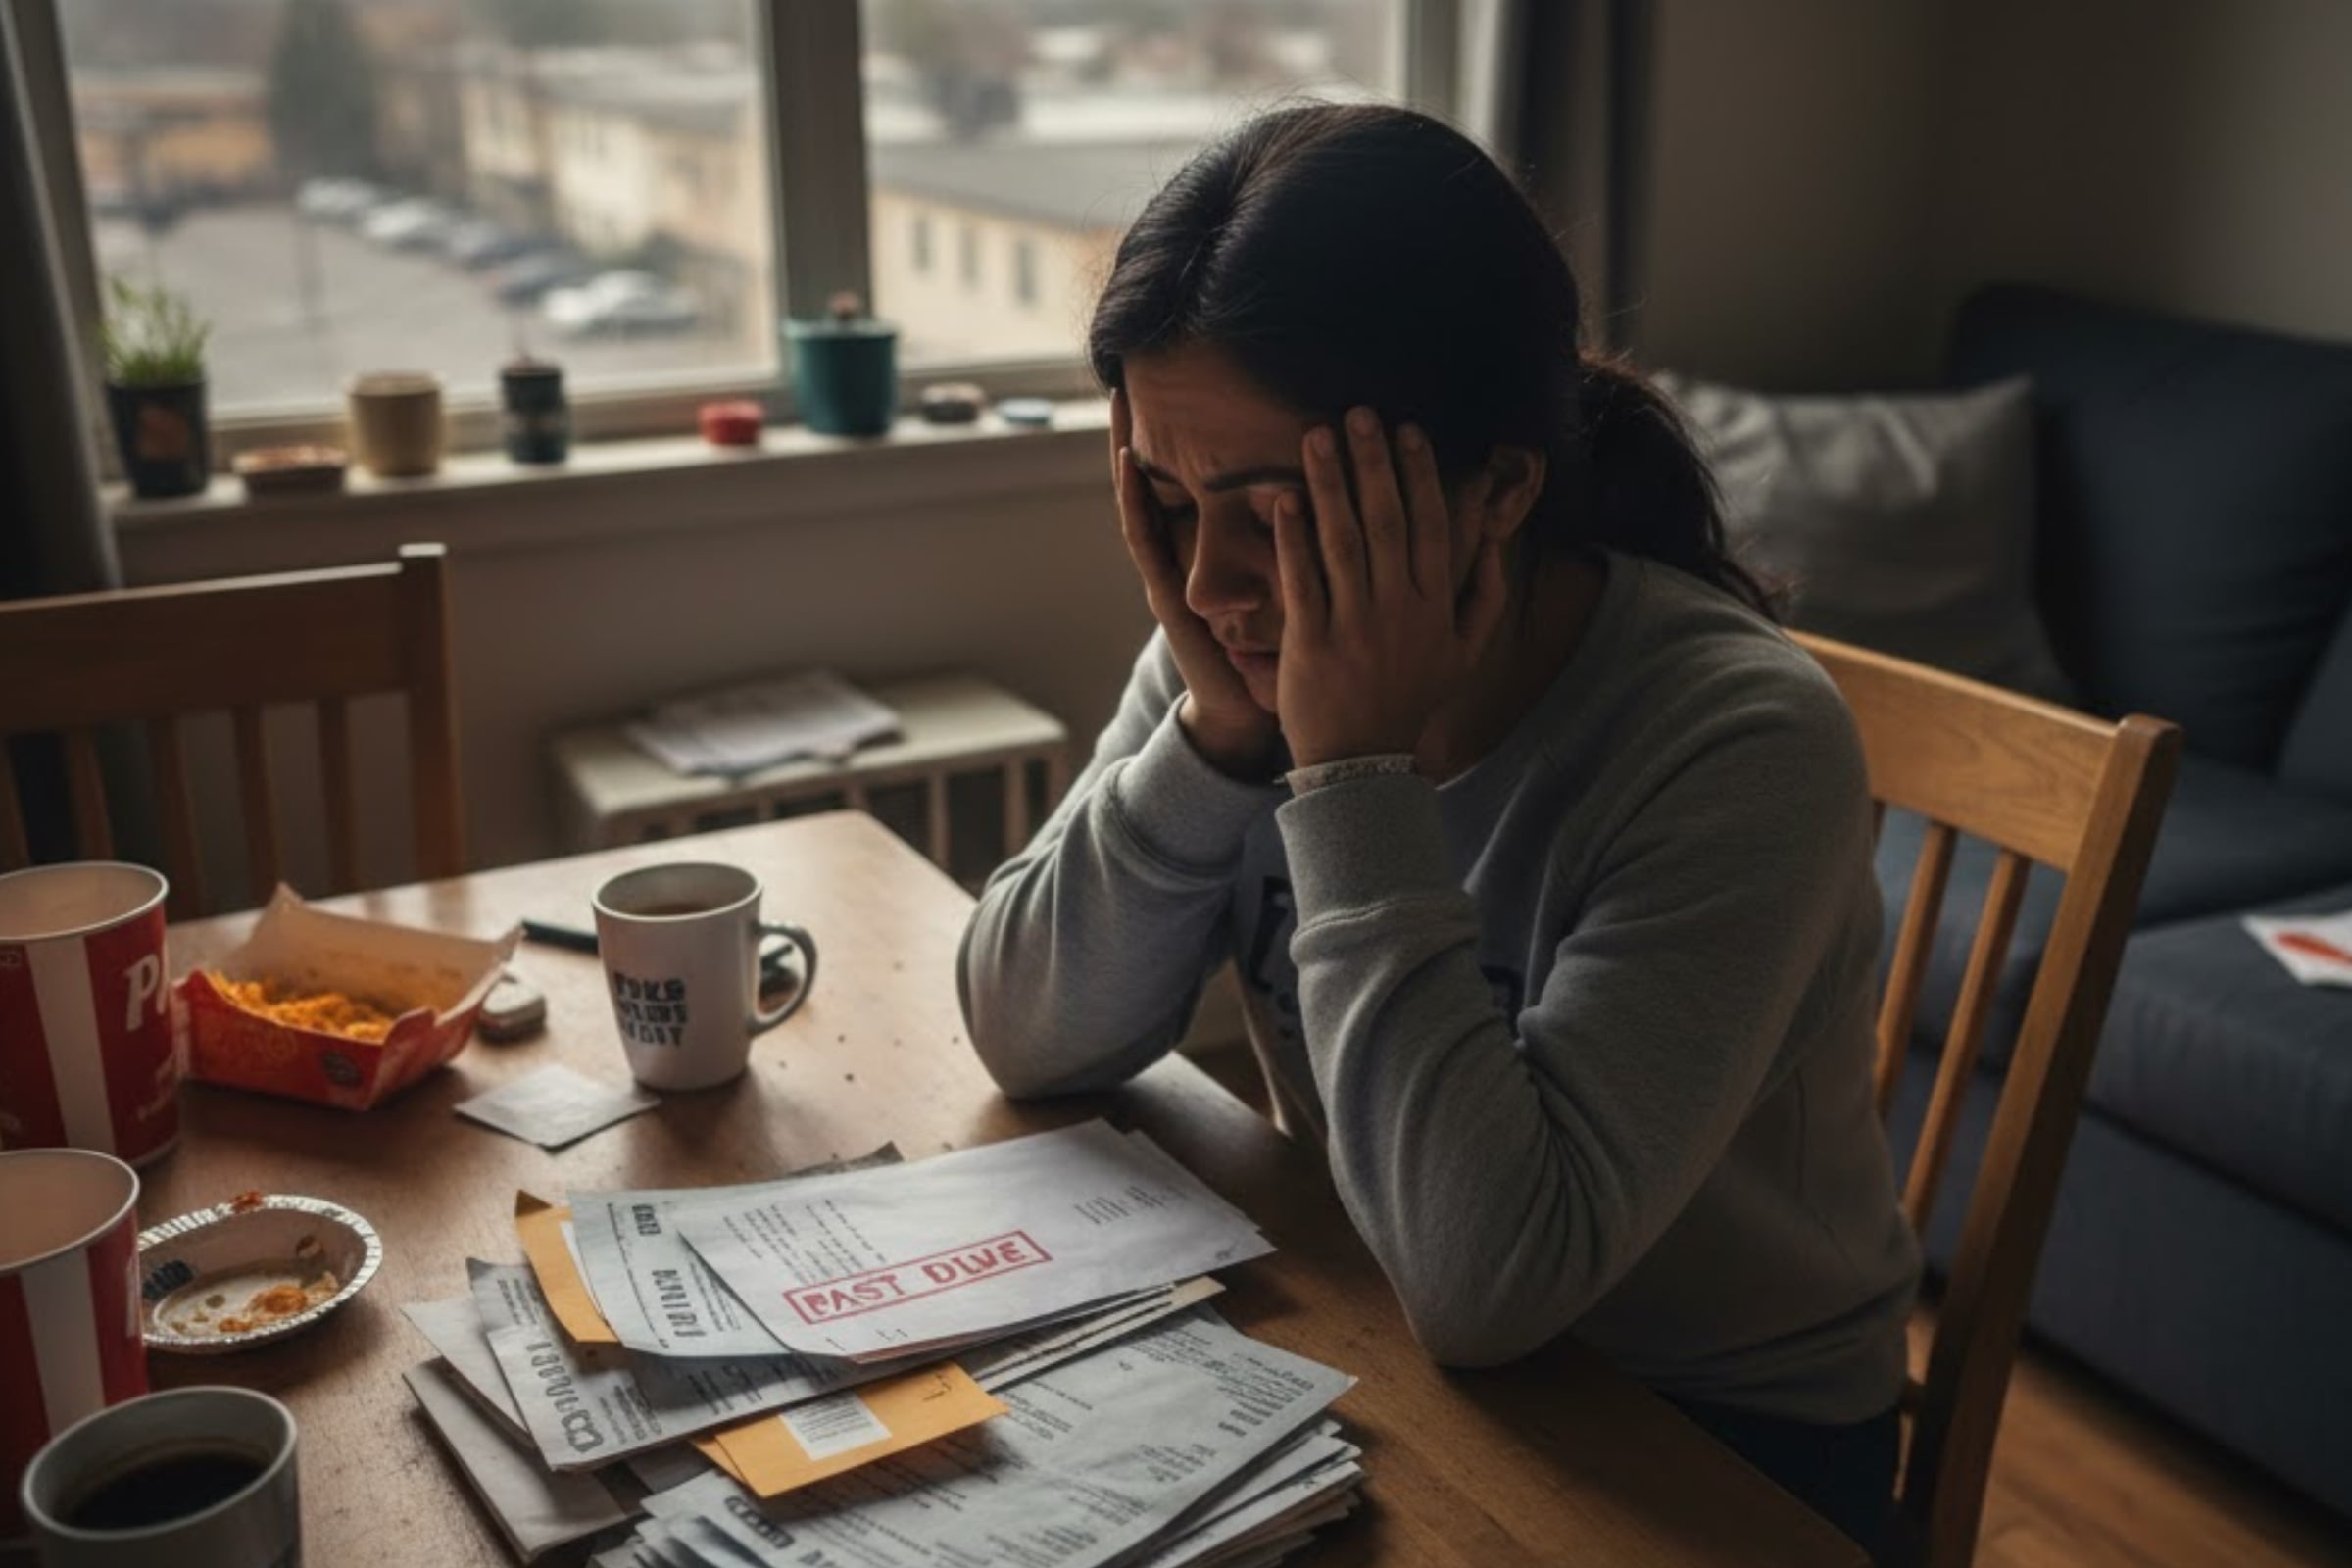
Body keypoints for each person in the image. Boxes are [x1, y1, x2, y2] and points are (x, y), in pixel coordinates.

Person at [956, 101, 1919, 1549]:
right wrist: (1216, 738)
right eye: (1165, 499)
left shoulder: (1737, 742)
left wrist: (1350, 780)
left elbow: (1494, 1287)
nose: (1209, 581)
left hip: (1718, 1445)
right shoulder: (1238, 656)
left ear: (1499, 492)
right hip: (1387, 1322)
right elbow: (1026, 1031)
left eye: (1275, 513)